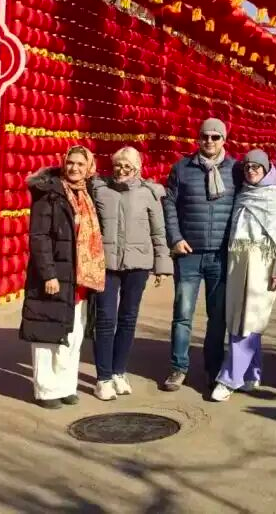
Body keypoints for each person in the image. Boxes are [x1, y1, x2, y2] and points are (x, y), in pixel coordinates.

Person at [20, 146, 107, 408]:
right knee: (47, 334)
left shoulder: (87, 193)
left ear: (89, 167)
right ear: (63, 163)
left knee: (73, 335)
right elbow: (39, 237)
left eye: (80, 164)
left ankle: (66, 385)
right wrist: (48, 274)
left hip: (79, 279)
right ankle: (46, 390)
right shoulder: (49, 193)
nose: (74, 168)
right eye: (70, 162)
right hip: (55, 276)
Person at [162, 118, 241, 391]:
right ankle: (178, 367)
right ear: (198, 138)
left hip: (220, 255)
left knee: (217, 317)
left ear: (224, 140)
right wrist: (175, 238)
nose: (209, 141)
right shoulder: (182, 168)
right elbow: (169, 204)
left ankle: (213, 368)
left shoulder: (236, 170)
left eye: (215, 137)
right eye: (205, 136)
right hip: (189, 253)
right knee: (182, 314)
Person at [89, 146, 173, 401]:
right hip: (106, 264)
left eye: (128, 166)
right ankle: (103, 378)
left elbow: (158, 231)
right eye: (118, 165)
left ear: (138, 168)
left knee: (128, 318)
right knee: (105, 320)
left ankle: (118, 371)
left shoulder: (149, 193)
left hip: (138, 265)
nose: (122, 170)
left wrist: (162, 265)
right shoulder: (100, 190)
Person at [211, 149, 276, 401]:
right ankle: (251, 372)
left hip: (263, 266)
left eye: (256, 167)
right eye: (247, 167)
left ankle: (229, 378)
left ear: (266, 169)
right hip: (238, 263)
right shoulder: (243, 192)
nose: (251, 171)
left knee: (249, 320)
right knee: (239, 318)